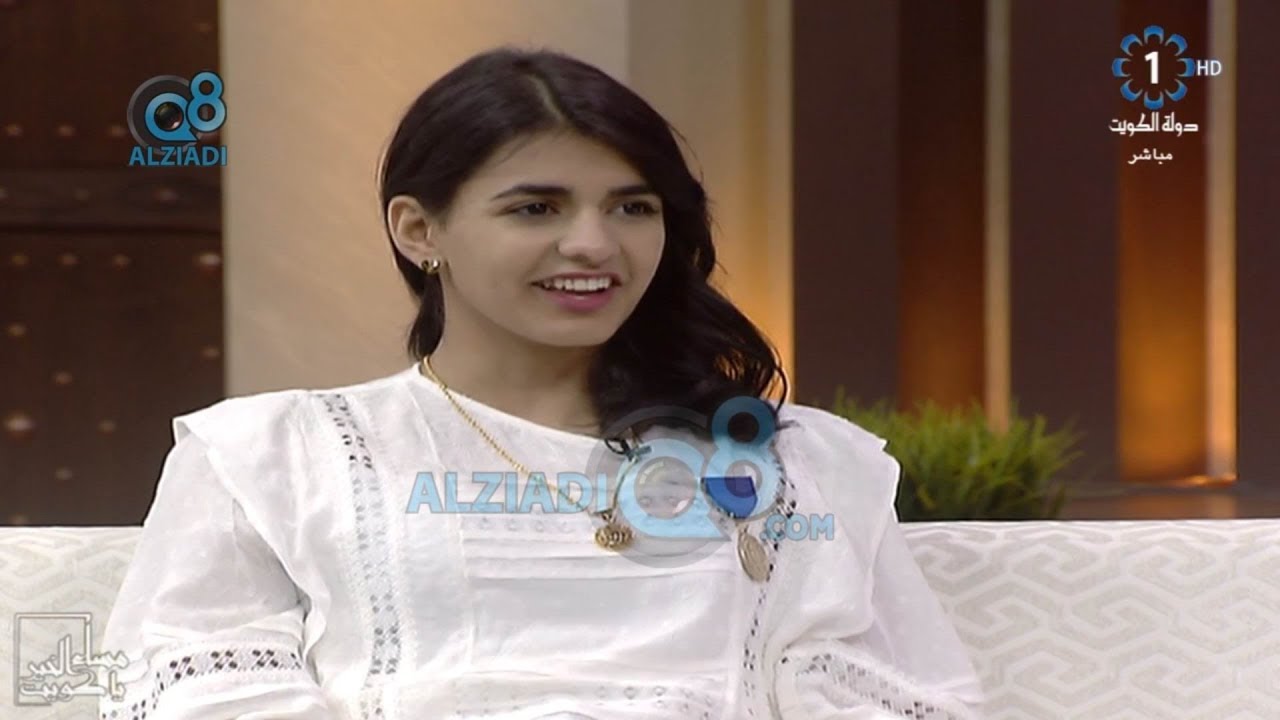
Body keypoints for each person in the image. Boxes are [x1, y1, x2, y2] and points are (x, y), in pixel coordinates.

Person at [100, 47, 984, 720]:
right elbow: (189, 687)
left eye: (633, 207)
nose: (594, 245)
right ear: (418, 230)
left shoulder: (797, 462)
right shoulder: (272, 457)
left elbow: (896, 695)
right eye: (536, 207)